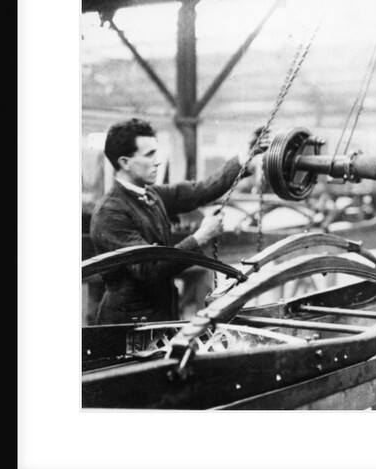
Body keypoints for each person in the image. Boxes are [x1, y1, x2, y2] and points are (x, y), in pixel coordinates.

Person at [90, 118, 268, 325]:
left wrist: (242, 159)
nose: (158, 161)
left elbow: (202, 190)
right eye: (149, 154)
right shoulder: (110, 213)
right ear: (124, 163)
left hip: (159, 318)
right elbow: (150, 270)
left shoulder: (152, 195)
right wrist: (199, 237)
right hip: (127, 326)